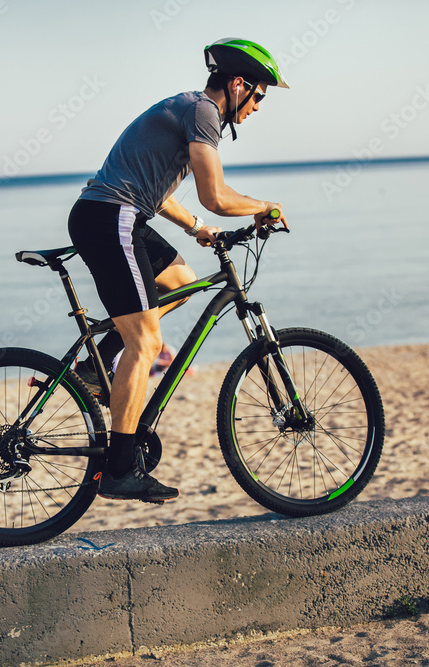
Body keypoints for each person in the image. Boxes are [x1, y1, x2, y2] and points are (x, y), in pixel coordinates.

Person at [67, 38, 290, 503]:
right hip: (113, 219)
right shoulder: (204, 113)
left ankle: (94, 370)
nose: (258, 107)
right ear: (238, 84)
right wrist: (264, 207)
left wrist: (197, 229)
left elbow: (158, 189)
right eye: (260, 96)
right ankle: (121, 470)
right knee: (146, 342)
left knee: (181, 283)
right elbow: (217, 195)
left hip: (117, 213)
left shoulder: (185, 110)